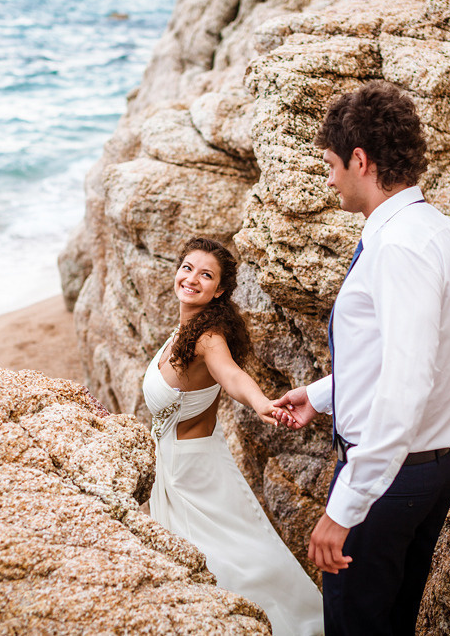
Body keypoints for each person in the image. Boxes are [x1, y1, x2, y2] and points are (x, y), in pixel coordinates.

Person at [273, 80, 450, 635]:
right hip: (432, 467)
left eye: (331, 165)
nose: (329, 179)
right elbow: (418, 356)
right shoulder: (444, 233)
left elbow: (406, 384)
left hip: (388, 479)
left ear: (360, 160)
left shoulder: (397, 247)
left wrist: (345, 508)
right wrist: (322, 396)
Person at [143, 236, 323, 636]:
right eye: (187, 267)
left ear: (219, 290)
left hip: (192, 471)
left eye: (205, 275)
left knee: (234, 558)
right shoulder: (184, 329)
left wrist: (259, 402)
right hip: (173, 462)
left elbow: (231, 375)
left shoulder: (208, 338)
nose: (191, 279)